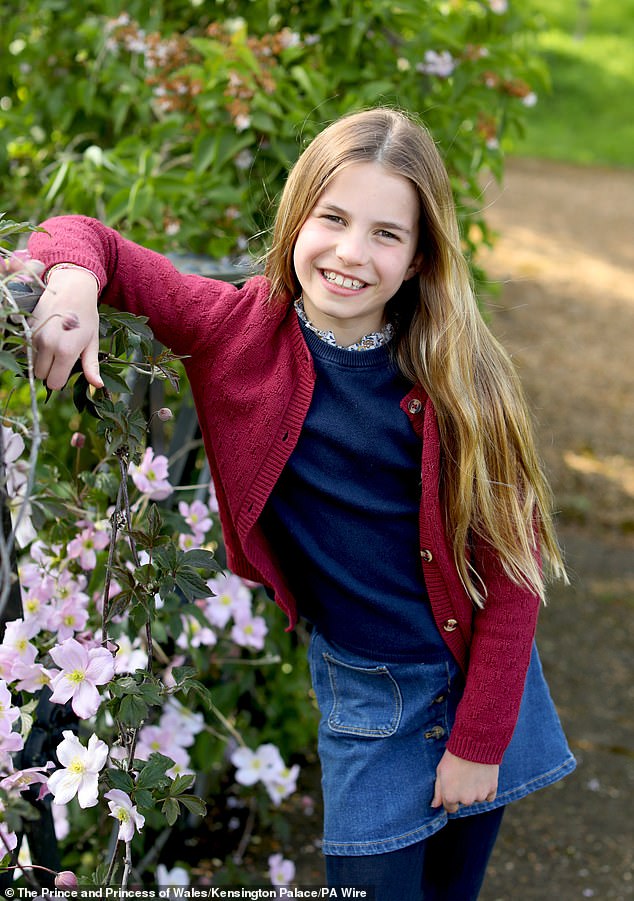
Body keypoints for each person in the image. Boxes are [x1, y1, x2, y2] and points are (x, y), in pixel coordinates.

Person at [28, 107, 575, 900]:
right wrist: (75, 280)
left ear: (421, 256)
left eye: (387, 234)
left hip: (483, 680)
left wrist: (481, 737)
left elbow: (514, 568)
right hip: (367, 694)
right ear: (297, 217)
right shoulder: (234, 330)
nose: (352, 253)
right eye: (334, 218)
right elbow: (85, 235)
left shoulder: (460, 378)